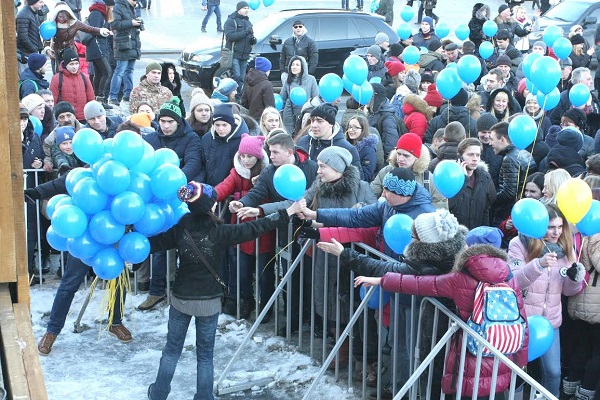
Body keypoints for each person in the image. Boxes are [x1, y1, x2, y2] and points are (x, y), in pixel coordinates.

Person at [146, 181, 302, 400]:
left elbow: (155, 244)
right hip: (209, 301)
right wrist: (288, 212)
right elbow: (256, 228)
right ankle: (204, 397)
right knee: (205, 355)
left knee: (171, 351)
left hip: (182, 298)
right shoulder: (220, 231)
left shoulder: (181, 226)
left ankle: (158, 394)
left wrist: (127, 236)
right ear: (211, 205)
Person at [335, 230, 528, 399]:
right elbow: (523, 323)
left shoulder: (460, 278)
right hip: (502, 356)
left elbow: (419, 283)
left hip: (469, 357)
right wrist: (520, 364)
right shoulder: (509, 277)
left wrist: (381, 281)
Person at [508, 204, 586, 396]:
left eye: (560, 227)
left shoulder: (565, 248)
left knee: (553, 372)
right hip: (522, 320)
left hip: (550, 321)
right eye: (551, 227)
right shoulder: (519, 244)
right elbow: (515, 281)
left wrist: (575, 278)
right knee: (516, 372)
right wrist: (538, 265)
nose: (557, 232)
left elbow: (567, 291)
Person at [138, 97, 203, 311]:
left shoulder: (191, 138)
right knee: (159, 246)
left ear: (178, 122)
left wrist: (174, 184)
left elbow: (193, 162)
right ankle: (156, 291)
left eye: (170, 122)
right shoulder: (152, 139)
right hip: (156, 201)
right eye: (162, 121)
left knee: (186, 246)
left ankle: (183, 290)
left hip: (181, 199)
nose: (165, 126)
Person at [214, 134, 272, 319]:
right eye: (243, 156)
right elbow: (224, 187)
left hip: (263, 232)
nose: (246, 160)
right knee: (242, 272)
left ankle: (266, 306)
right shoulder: (236, 172)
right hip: (240, 232)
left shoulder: (268, 172)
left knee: (265, 274)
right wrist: (209, 197)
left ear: (258, 157)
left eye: (250, 156)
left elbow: (267, 197)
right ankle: (246, 301)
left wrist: (239, 197)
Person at [45, 1, 111, 71]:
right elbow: (46, 37)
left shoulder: (74, 23)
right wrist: (48, 49)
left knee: (73, 75)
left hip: (71, 52)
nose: (61, 19)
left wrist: (101, 31)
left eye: (63, 17)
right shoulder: (52, 24)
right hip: (57, 53)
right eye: (60, 17)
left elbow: (89, 28)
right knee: (59, 76)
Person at [296, 103, 362, 174]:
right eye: (312, 120)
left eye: (320, 121)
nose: (314, 125)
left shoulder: (347, 149)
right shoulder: (303, 142)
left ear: (331, 124)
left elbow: (356, 179)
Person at [490, 121, 533, 225]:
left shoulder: (509, 159)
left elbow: (509, 192)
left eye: (492, 139)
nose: (490, 143)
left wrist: (491, 199)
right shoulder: (525, 152)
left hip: (508, 212)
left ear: (502, 139)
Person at [449, 137, 496, 229]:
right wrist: (464, 179)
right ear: (460, 156)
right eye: (470, 155)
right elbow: (449, 205)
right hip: (456, 234)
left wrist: (483, 234)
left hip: (476, 234)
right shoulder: (450, 177)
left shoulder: (484, 177)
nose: (475, 159)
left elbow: (485, 210)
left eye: (477, 155)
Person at [198, 103, 248, 186]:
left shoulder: (242, 141)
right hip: (208, 187)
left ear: (231, 124)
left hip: (231, 190)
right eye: (217, 125)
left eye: (224, 125)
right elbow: (202, 165)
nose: (220, 129)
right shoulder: (207, 139)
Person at [107, 0, 142, 106]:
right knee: (120, 71)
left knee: (129, 71)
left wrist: (138, 23)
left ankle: (128, 95)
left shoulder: (133, 7)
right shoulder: (117, 7)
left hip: (132, 43)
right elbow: (114, 24)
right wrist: (131, 23)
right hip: (123, 44)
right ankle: (113, 96)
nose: (135, 1)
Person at [49, 48, 95, 122]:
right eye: (71, 64)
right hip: (65, 119)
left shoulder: (84, 77)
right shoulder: (57, 78)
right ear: (65, 65)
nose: (74, 67)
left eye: (76, 63)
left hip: (83, 118)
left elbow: (91, 98)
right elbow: (52, 100)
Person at [280, 56, 319, 136]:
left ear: (303, 67)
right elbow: (282, 98)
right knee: (289, 137)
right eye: (292, 65)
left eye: (297, 65)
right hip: (289, 114)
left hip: (305, 114)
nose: (294, 67)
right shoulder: (288, 81)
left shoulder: (311, 79)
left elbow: (315, 97)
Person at [85, 0, 113, 108]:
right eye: (111, 6)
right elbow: (93, 30)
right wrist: (104, 32)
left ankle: (96, 98)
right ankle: (100, 98)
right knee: (107, 72)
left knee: (100, 74)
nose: (112, 9)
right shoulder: (97, 13)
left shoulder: (100, 13)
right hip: (96, 47)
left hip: (99, 47)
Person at [224, 1, 255, 88]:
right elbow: (230, 36)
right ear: (239, 9)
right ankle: (232, 95)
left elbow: (249, 36)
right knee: (236, 76)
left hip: (244, 55)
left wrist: (252, 40)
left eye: (248, 8)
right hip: (234, 54)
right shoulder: (231, 21)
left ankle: (239, 96)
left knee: (242, 78)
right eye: (244, 8)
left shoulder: (248, 21)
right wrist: (245, 33)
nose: (247, 10)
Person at [345, 114, 379, 182]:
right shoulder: (346, 145)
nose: (351, 130)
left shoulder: (368, 149)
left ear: (363, 129)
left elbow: (366, 176)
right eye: (349, 127)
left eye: (355, 128)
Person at [16, 0, 46, 74]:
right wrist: (34, 50)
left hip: (31, 53)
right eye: (40, 2)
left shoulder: (33, 13)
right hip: (25, 55)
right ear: (33, 2)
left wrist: (40, 48)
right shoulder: (23, 15)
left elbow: (35, 33)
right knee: (27, 78)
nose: (43, 4)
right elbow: (23, 37)